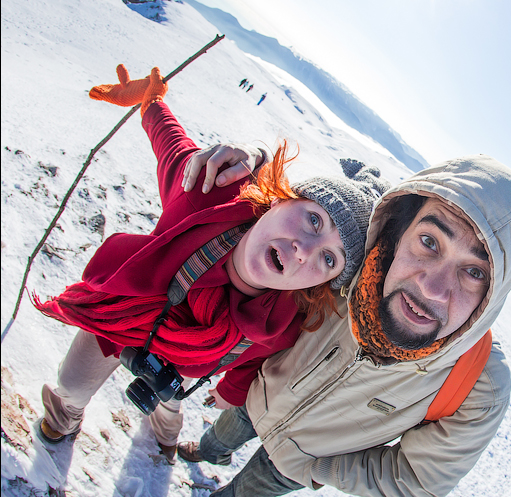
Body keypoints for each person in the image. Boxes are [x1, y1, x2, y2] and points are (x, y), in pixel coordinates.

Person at [32, 65, 389, 463]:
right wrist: (151, 103)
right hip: (123, 311)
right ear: (279, 199)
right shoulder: (210, 196)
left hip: (188, 366)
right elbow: (174, 148)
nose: (304, 250)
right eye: (314, 219)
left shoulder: (285, 319)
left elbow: (253, 361)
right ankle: (66, 415)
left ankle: (166, 433)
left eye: (329, 258)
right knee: (72, 381)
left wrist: (230, 392)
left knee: (169, 403)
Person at [176, 140, 511, 497]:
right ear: (400, 232)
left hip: (295, 463)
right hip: (256, 398)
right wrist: (253, 161)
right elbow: (290, 224)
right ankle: (209, 452)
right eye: (430, 242)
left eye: (474, 272)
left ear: (493, 293)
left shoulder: (478, 382)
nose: (432, 289)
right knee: (220, 435)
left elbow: (420, 475)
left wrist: (324, 469)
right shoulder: (348, 261)